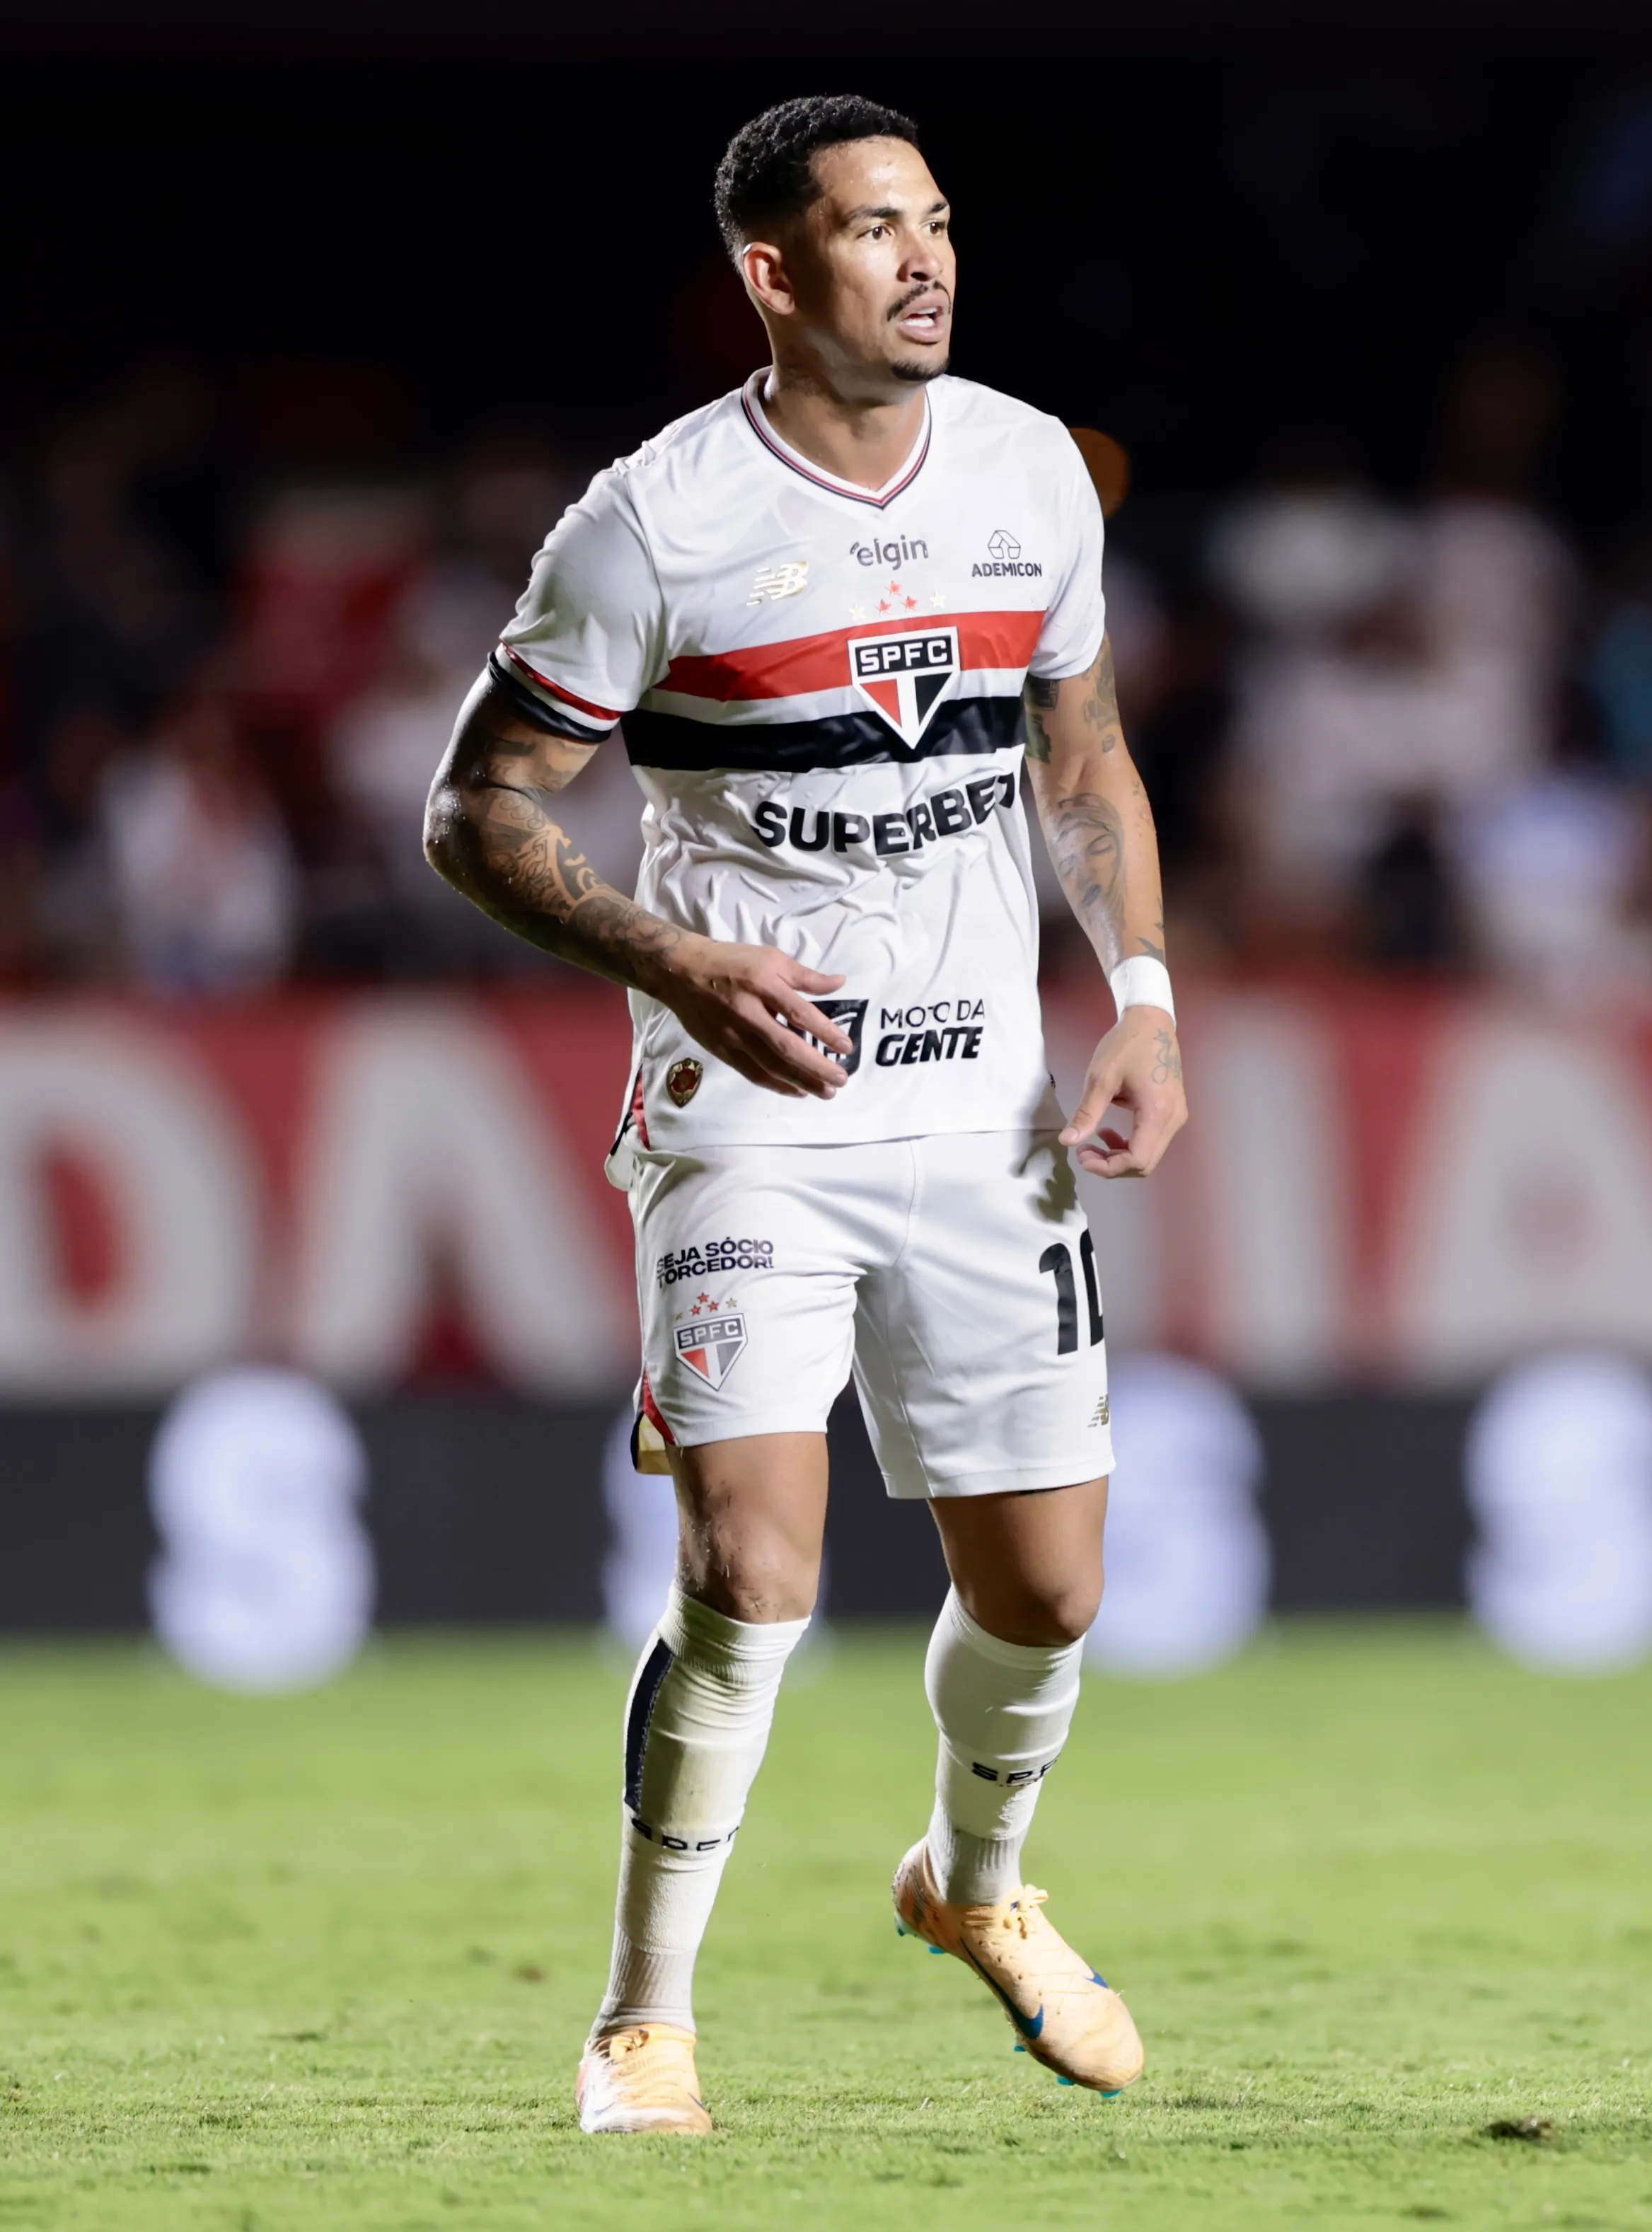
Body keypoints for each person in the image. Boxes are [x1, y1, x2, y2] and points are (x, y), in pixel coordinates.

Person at [420, 95, 1187, 2136]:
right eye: (872, 230)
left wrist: (1145, 1002)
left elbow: (1085, 761)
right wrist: (679, 967)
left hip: (990, 1115)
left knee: (1048, 1596)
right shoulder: (653, 526)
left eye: (937, 221)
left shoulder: (1030, 470)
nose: (925, 260)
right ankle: (642, 2018)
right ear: (776, 273)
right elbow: (475, 810)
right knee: (755, 1574)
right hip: (748, 1112)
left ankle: (974, 1887)